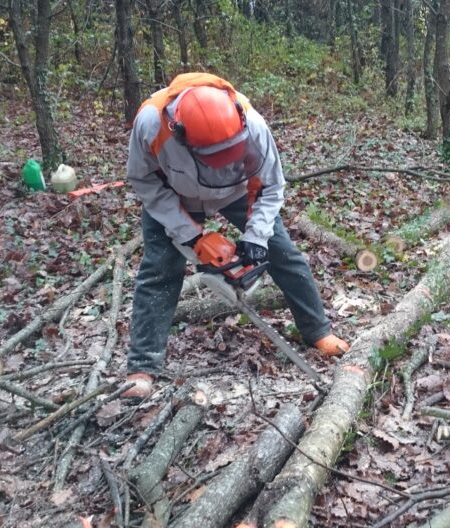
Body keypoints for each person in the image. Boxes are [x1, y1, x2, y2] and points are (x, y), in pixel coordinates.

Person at [123, 72, 350, 399]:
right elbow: (143, 181)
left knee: (283, 254)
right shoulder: (151, 123)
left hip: (237, 192)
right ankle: (142, 366)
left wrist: (256, 237)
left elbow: (272, 185)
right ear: (182, 134)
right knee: (159, 269)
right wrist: (189, 234)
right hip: (175, 193)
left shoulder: (254, 125)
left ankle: (318, 330)